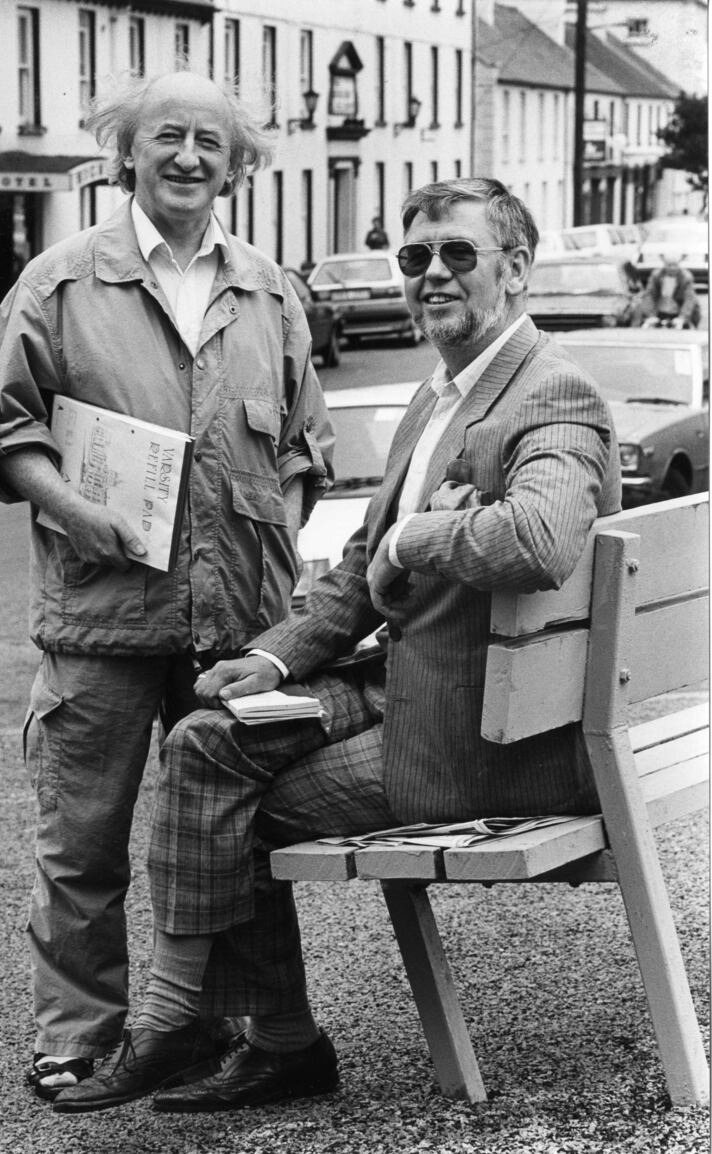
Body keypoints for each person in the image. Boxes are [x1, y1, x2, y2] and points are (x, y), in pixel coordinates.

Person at [50, 178, 622, 1116]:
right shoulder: (444, 392)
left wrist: (412, 539)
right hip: (424, 684)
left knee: (220, 794)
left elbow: (536, 538)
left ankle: (208, 1026)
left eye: (459, 256)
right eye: (415, 258)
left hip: (490, 738)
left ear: (517, 271)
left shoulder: (550, 390)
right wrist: (273, 658)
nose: (431, 275)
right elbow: (361, 567)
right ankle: (233, 1032)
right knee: (207, 735)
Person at [0, 69, 334, 1100]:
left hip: (234, 630)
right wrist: (75, 510)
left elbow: (303, 446)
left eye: (211, 143)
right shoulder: (63, 279)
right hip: (103, 619)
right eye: (168, 136)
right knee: (81, 843)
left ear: (237, 165)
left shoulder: (267, 290)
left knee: (232, 838)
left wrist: (282, 545)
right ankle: (77, 1032)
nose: (188, 158)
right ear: (128, 150)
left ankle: (218, 1032)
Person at [637, 256, 700, 328]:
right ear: (665, 265)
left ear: (679, 265)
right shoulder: (656, 276)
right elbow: (649, 295)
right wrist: (650, 315)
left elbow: (689, 299)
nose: (672, 268)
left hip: (678, 312)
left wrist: (683, 317)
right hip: (659, 312)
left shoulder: (686, 278)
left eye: (675, 265)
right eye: (669, 265)